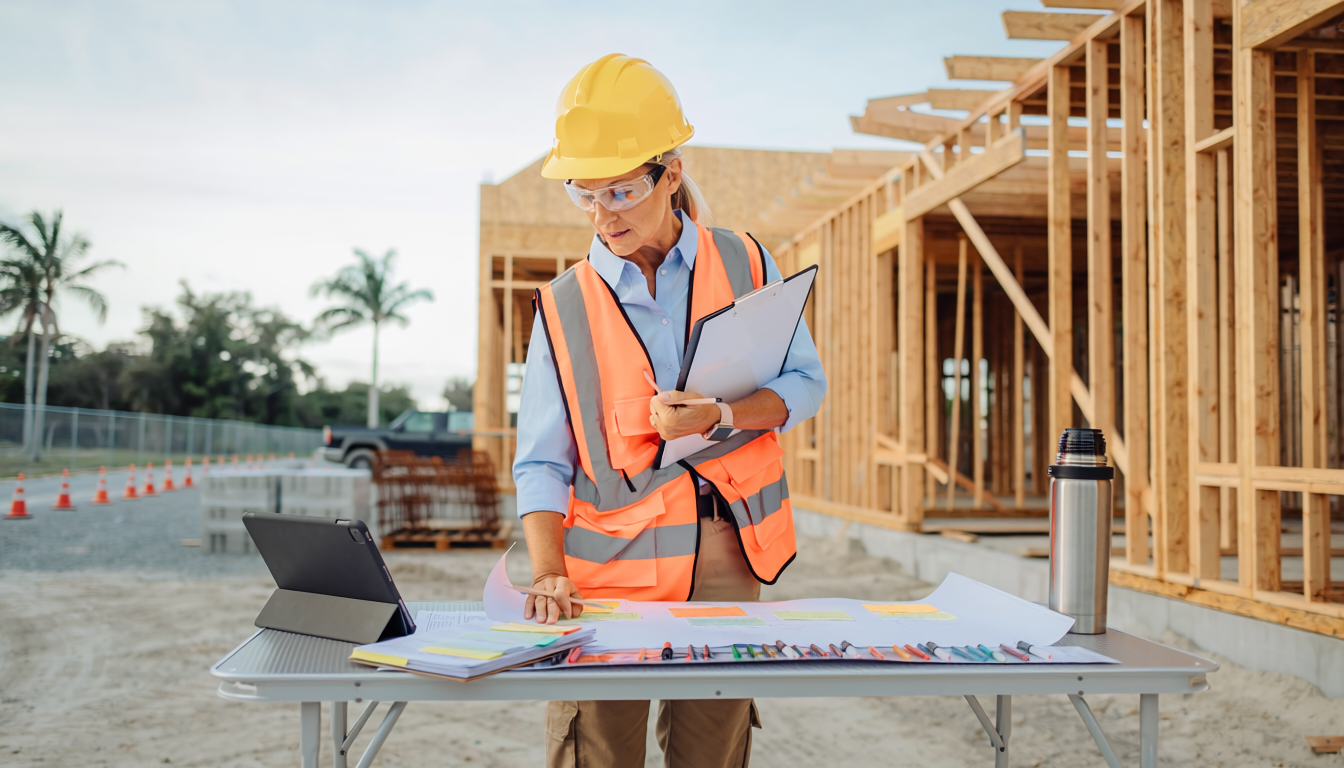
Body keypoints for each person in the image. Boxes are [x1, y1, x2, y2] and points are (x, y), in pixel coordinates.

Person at [513, 53, 826, 768]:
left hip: (725, 558)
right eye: (583, 194)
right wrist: (547, 569)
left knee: (712, 755)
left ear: (671, 174)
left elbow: (806, 386)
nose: (602, 214)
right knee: (599, 755)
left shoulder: (746, 263)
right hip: (606, 576)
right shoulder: (563, 305)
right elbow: (540, 459)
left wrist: (719, 415)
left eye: (621, 190)